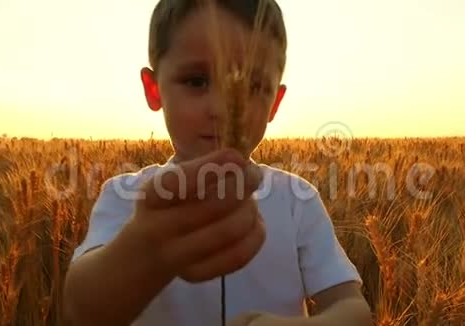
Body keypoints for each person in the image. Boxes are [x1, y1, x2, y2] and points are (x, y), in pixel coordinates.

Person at [63, 1, 373, 325]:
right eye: (197, 81)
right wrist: (144, 249)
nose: (223, 109)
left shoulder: (297, 200)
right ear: (153, 90)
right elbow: (78, 310)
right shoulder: (130, 197)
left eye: (253, 87)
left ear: (275, 104)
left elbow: (353, 309)